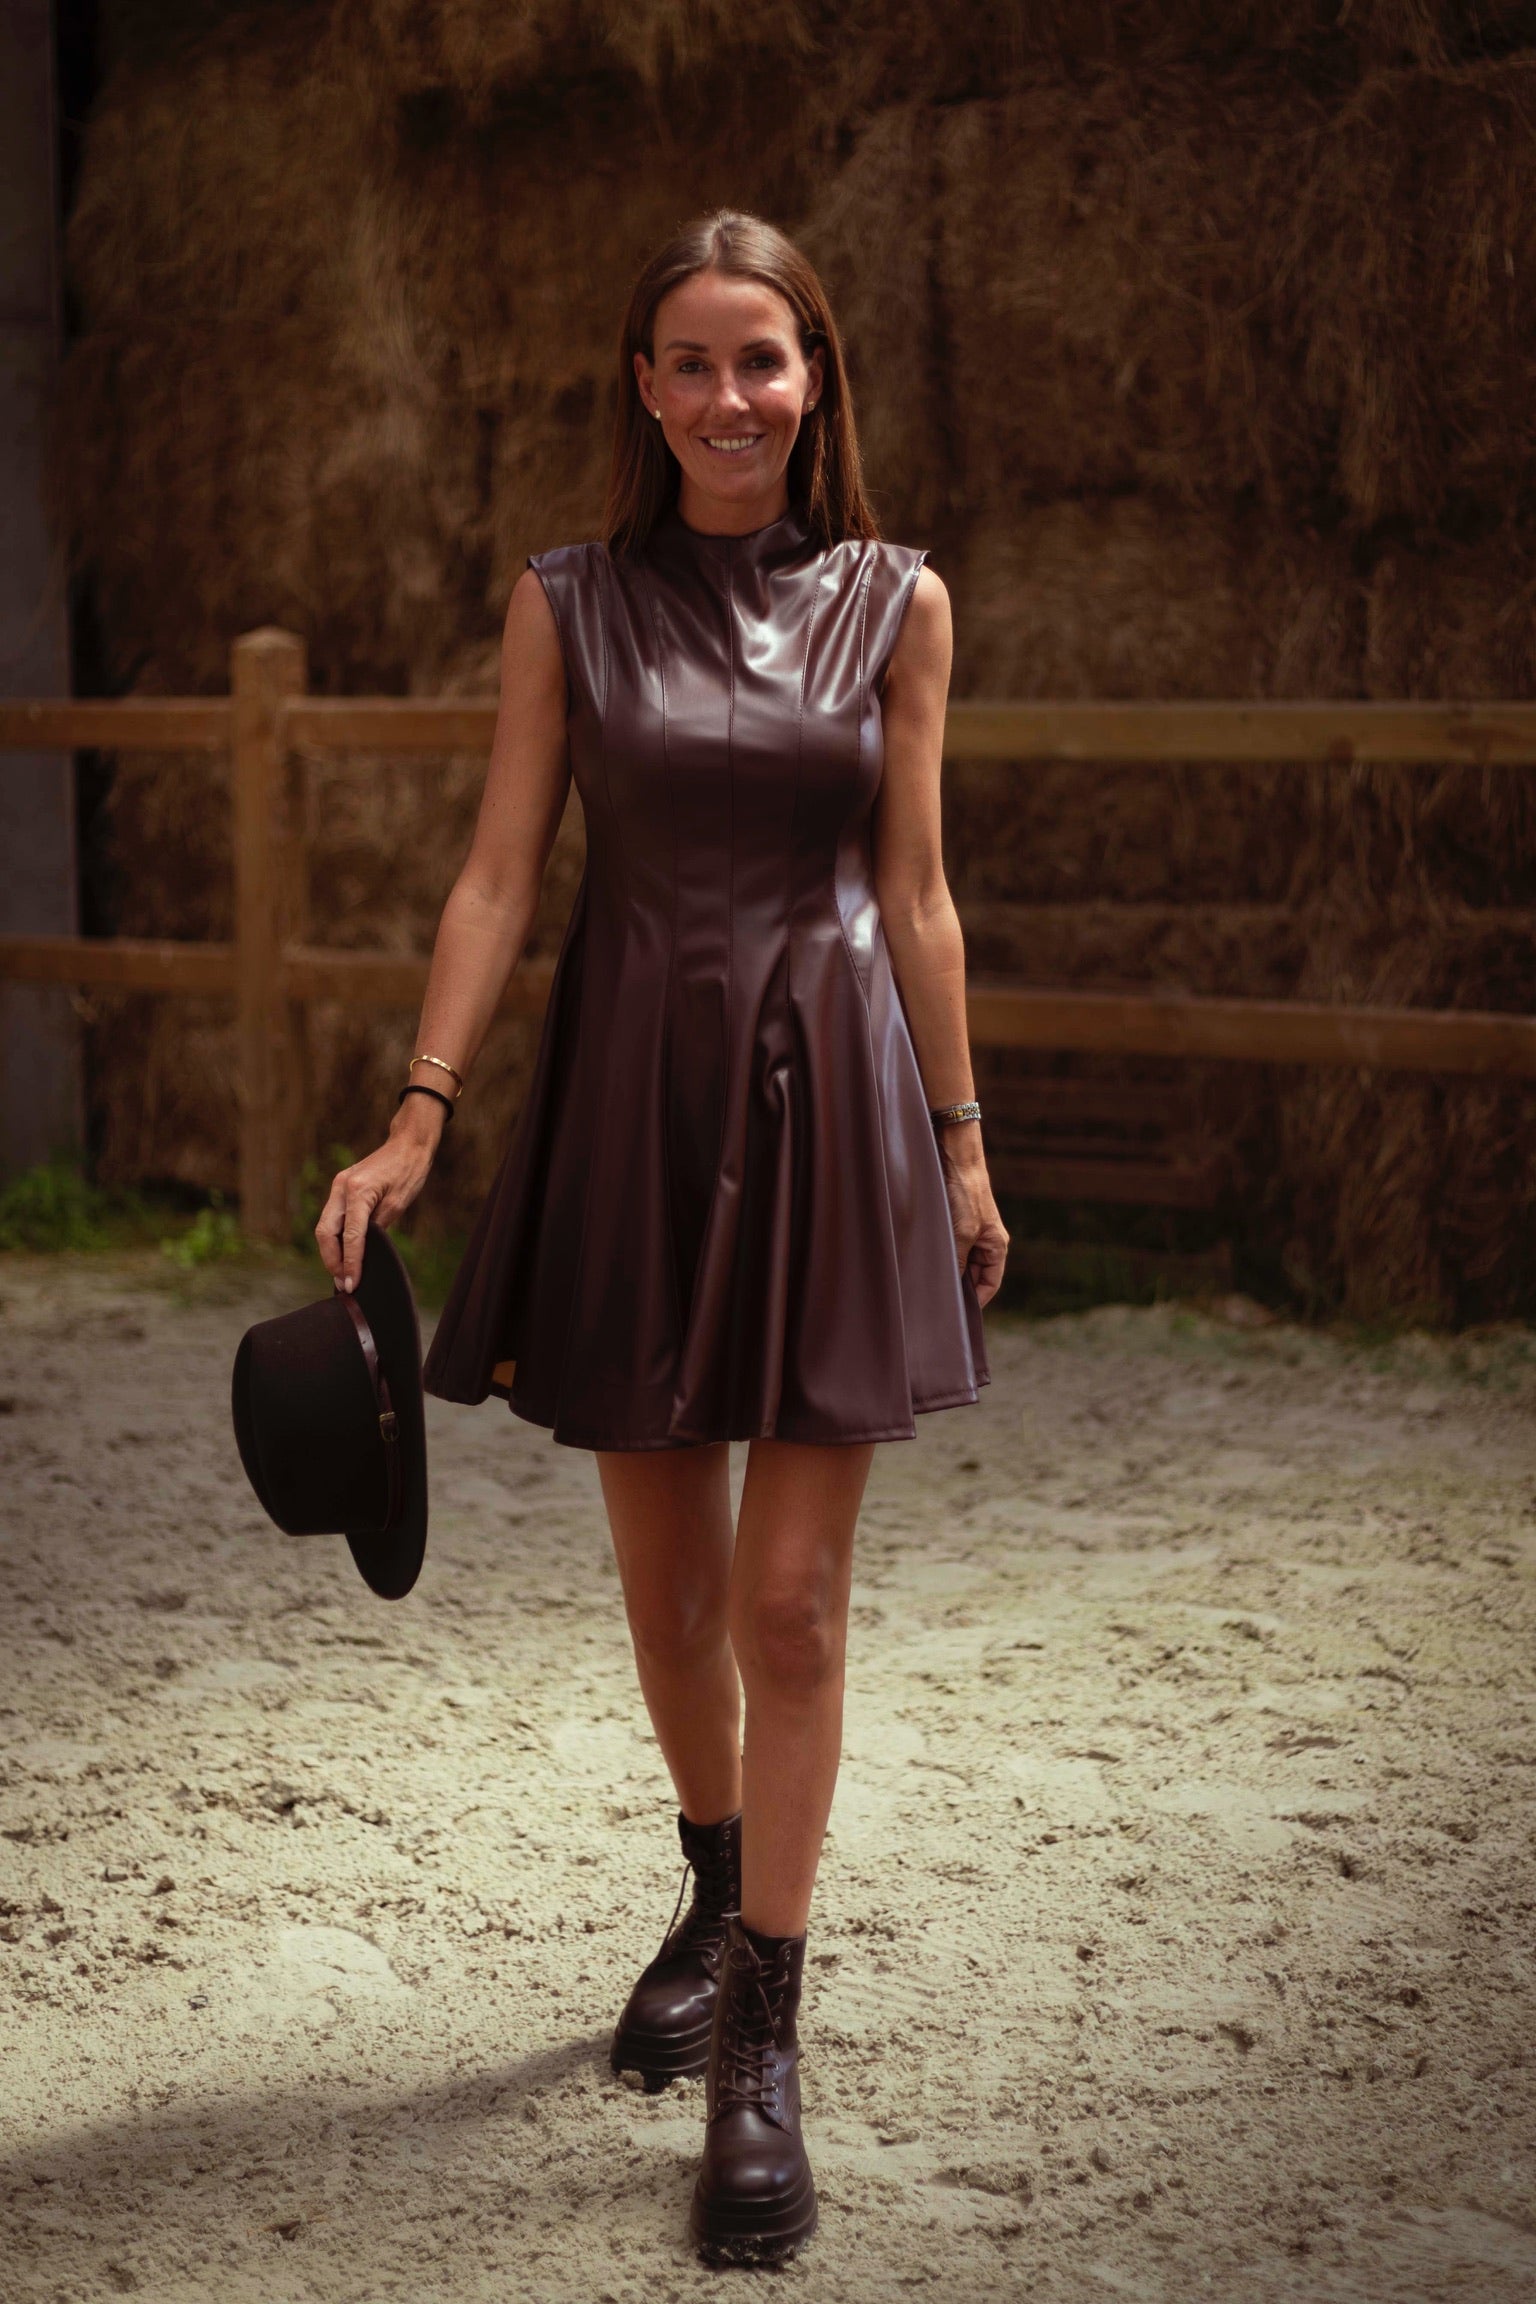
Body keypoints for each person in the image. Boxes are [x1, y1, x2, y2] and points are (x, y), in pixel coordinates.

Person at [316, 209, 1009, 2266]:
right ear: (643, 386)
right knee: (674, 1600)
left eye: (761, 360)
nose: (729, 398)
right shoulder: (566, 602)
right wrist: (422, 1109)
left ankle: (761, 2043)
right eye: (691, 363)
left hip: (835, 1111)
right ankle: (713, 1887)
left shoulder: (901, 601)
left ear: (815, 380)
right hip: (631, 1103)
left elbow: (921, 892)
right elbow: (498, 874)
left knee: (789, 1608)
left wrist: (963, 1145)